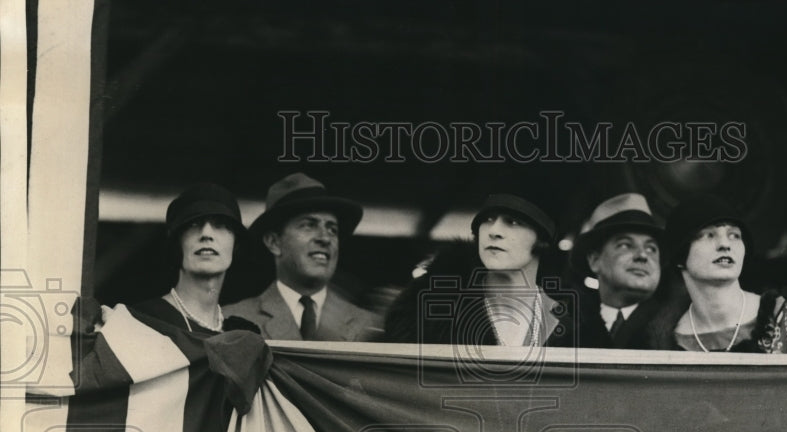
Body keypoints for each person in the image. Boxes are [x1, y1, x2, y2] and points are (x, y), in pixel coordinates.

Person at [666, 194, 787, 354]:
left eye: (734, 235)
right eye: (708, 235)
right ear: (679, 256)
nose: (725, 244)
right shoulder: (664, 342)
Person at [384, 193, 565, 346]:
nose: (493, 231)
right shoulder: (426, 313)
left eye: (513, 222)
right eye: (487, 220)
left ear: (542, 240)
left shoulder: (568, 322)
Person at [223, 172, 382, 341]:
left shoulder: (371, 327)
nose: (325, 238)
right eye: (308, 226)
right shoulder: (232, 321)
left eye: (332, 229)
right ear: (274, 242)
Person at [132, 182, 258, 335]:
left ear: (235, 244)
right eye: (193, 224)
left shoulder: (244, 334)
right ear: (177, 244)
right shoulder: (142, 321)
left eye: (220, 224)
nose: (206, 233)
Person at [568, 192, 685, 349]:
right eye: (625, 245)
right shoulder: (567, 328)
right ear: (595, 261)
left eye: (651, 248)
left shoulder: (683, 327)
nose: (642, 255)